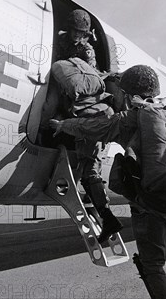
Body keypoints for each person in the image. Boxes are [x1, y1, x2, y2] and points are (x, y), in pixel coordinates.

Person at [50, 65, 166, 299]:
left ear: (126, 94)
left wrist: (63, 125)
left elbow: (92, 128)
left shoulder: (130, 118)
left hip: (151, 204)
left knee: (153, 264)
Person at [50, 42, 122, 243]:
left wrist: (62, 124)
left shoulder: (71, 75)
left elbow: (83, 125)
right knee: (90, 171)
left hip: (92, 123)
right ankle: (105, 217)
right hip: (102, 116)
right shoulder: (91, 74)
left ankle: (107, 218)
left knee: (90, 173)